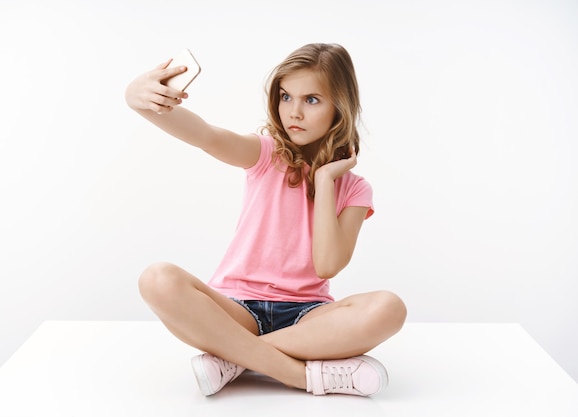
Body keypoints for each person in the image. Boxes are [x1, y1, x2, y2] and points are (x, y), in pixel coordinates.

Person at [125, 43, 407, 397]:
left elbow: (326, 265)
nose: (294, 113)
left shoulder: (355, 189)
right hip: (236, 309)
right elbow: (206, 136)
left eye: (312, 100)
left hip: (309, 317)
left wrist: (324, 182)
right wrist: (140, 101)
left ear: (340, 107)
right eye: (286, 97)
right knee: (157, 279)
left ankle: (233, 356)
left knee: (389, 308)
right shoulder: (266, 153)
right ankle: (302, 376)